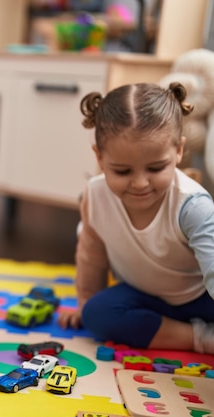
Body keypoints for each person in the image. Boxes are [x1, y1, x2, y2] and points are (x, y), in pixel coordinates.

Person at [57, 82, 214, 354]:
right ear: (100, 156)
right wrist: (84, 302)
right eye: (122, 171)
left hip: (201, 298)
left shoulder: (191, 205)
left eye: (155, 168)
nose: (140, 183)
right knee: (97, 313)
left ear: (178, 150)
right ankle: (199, 337)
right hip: (146, 298)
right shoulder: (95, 196)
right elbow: (91, 256)